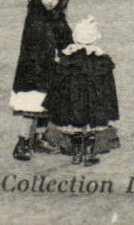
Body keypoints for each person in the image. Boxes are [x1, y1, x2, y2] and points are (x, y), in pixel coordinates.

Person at [49, 14, 120, 166]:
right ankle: (89, 151)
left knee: (75, 127)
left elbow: (58, 82)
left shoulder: (67, 58)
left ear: (75, 38)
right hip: (94, 100)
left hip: (73, 101)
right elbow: (108, 85)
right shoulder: (101, 59)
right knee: (92, 127)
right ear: (95, 38)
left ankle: (77, 152)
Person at [11, 0, 70, 160]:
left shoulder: (56, 16)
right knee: (31, 107)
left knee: (47, 106)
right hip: (33, 68)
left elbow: (64, 36)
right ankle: (23, 141)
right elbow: (38, 42)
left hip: (50, 68)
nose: (50, 1)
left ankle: (39, 138)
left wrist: (70, 47)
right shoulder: (36, 15)